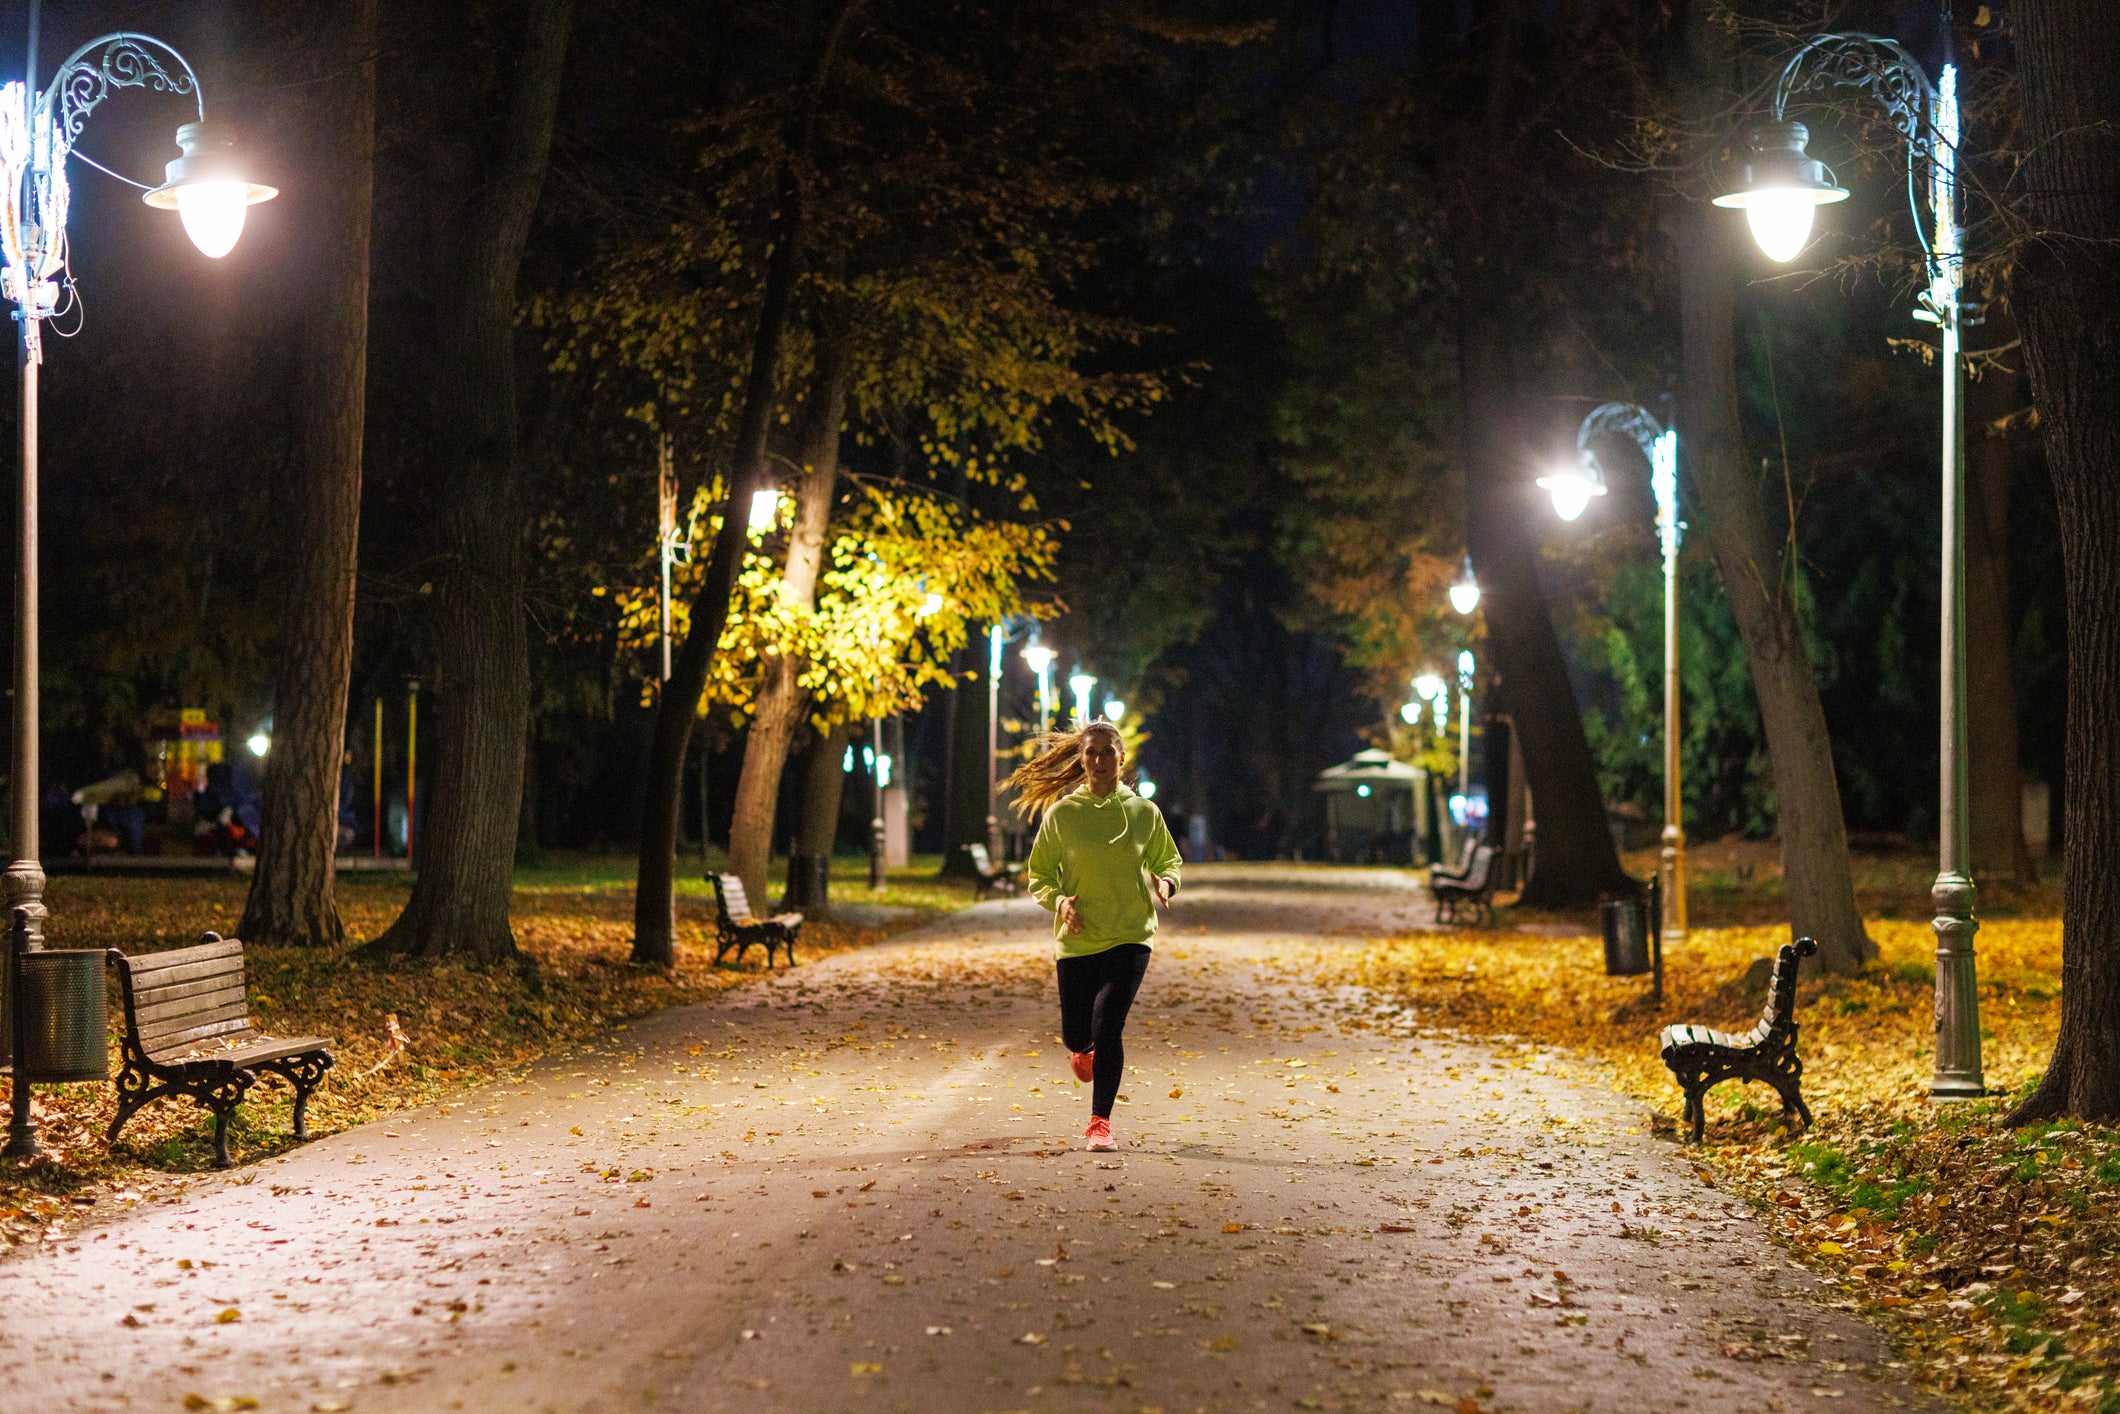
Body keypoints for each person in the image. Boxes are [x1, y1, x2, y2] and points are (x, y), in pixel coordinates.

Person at [1014, 719, 1181, 1152]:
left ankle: (1099, 1123)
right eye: (1091, 752)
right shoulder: (1063, 814)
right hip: (1078, 938)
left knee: (1109, 1024)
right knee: (1077, 1033)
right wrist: (1059, 902)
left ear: (1121, 758)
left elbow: (1169, 860)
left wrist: (1166, 882)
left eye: (1108, 752)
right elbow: (1039, 873)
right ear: (1081, 759)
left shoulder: (1144, 813)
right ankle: (1080, 1047)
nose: (1100, 760)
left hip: (1130, 934)